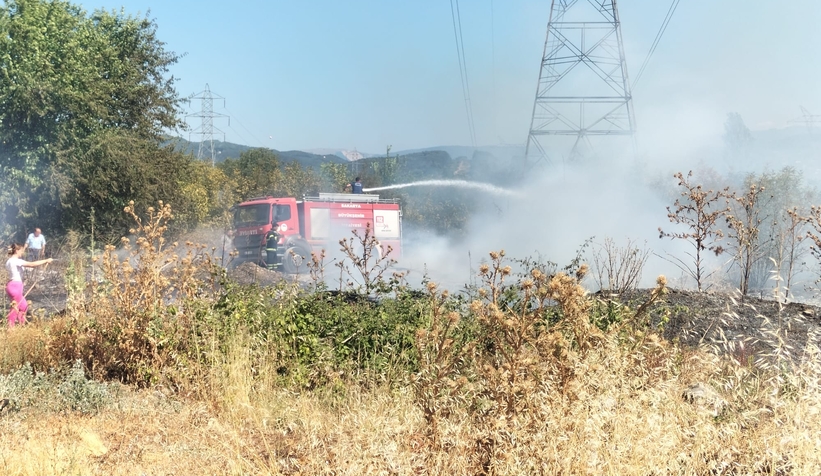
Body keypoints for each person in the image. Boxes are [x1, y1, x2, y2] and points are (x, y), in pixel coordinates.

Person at [6, 243, 53, 327]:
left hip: (11, 285)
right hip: (16, 286)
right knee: (15, 307)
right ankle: (10, 327)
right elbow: (32, 264)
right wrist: (46, 260)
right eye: (21, 251)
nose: (22, 253)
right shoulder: (16, 261)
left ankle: (21, 325)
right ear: (16, 251)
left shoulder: (9, 261)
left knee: (23, 306)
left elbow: (31, 266)